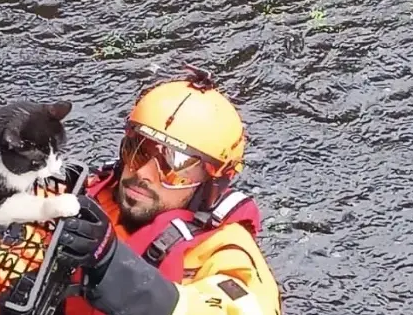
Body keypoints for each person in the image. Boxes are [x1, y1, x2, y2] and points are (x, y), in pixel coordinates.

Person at [55, 67, 283, 315]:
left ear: (210, 183)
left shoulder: (225, 251)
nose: (143, 173)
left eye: (175, 164)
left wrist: (114, 267)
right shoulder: (85, 197)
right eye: (139, 150)